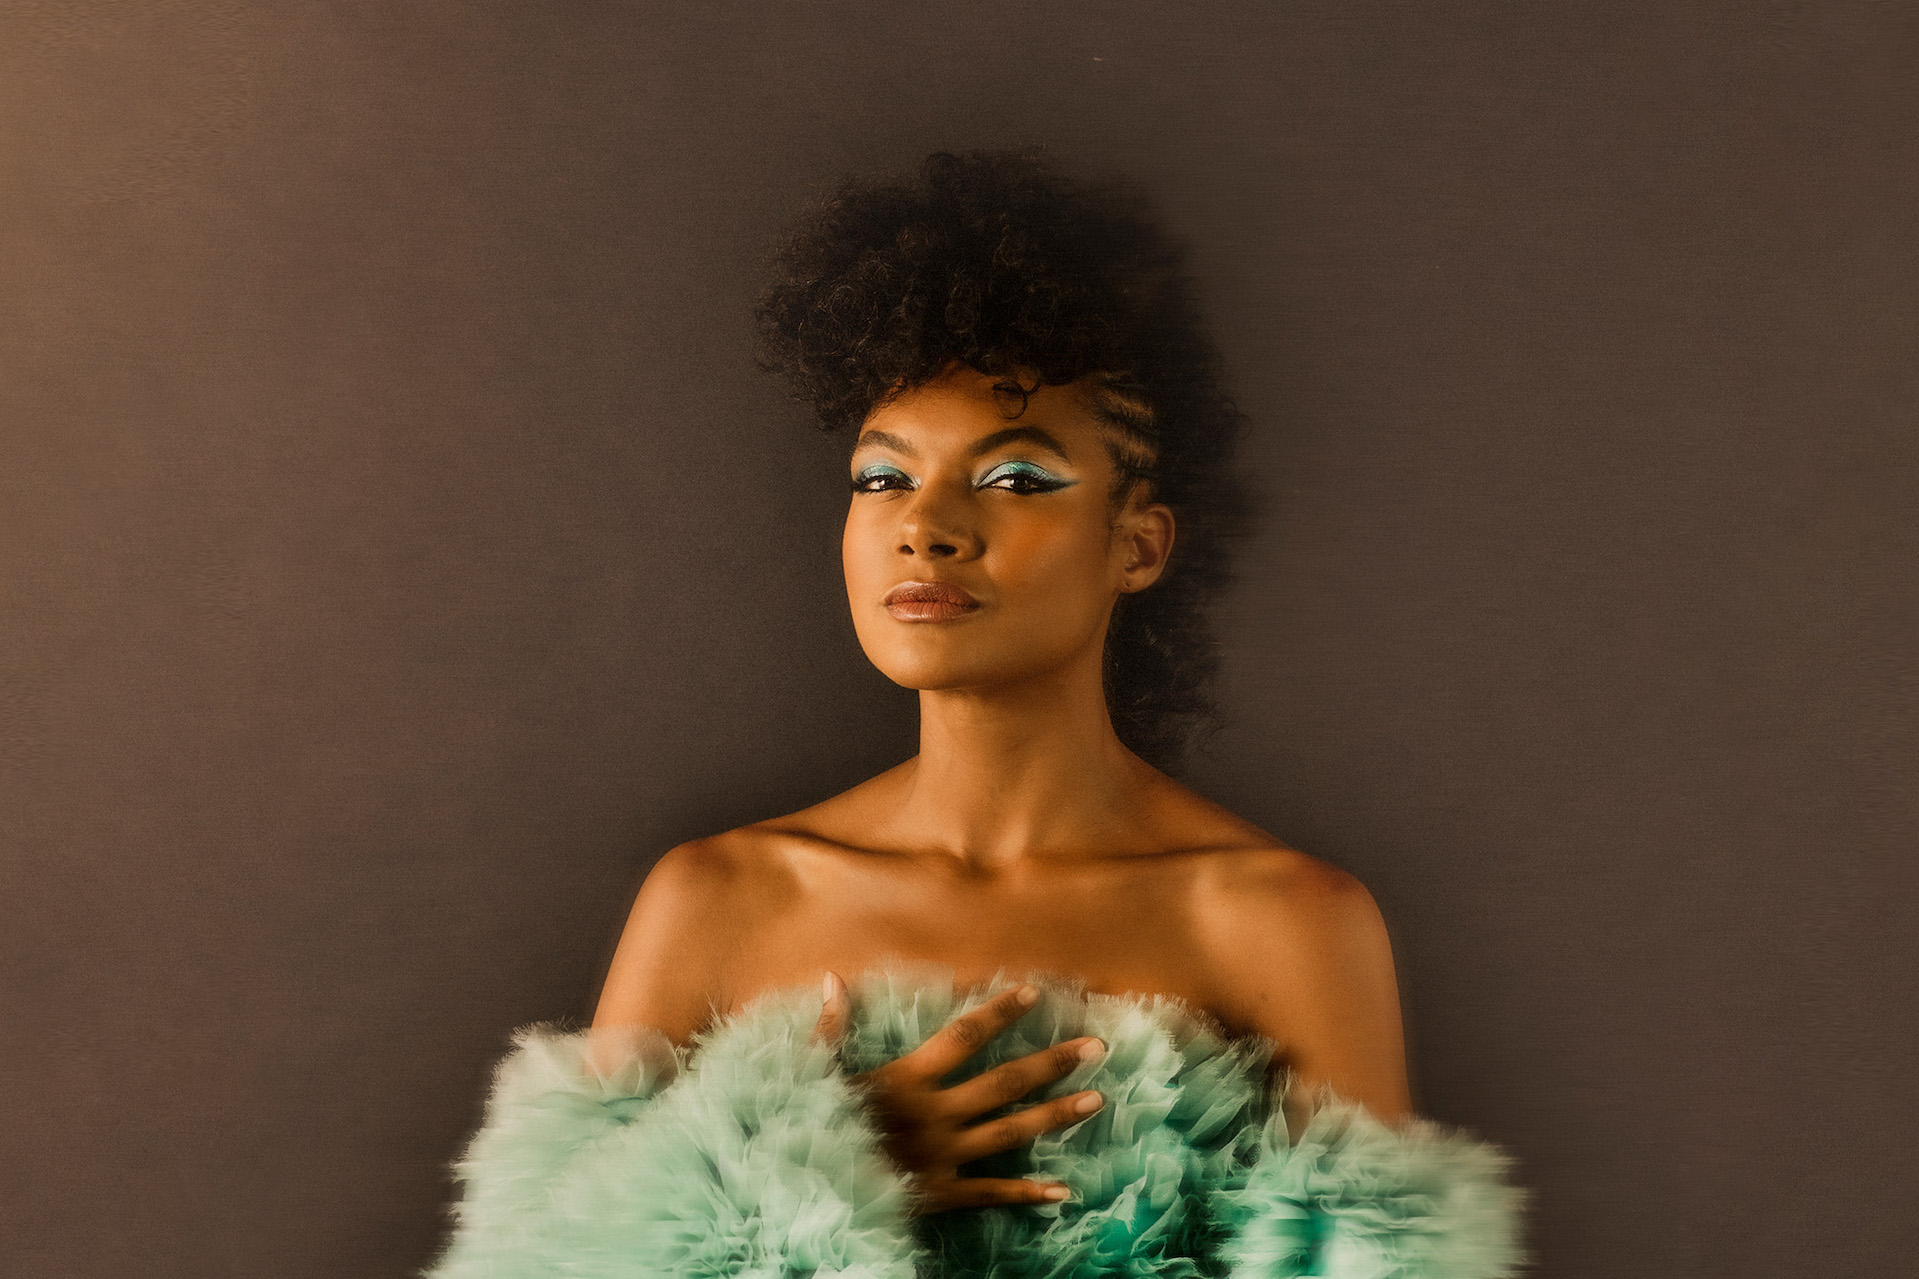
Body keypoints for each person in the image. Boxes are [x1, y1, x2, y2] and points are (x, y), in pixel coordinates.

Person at [422, 149, 1527, 1278]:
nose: (925, 525)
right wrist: (809, 1165)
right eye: (880, 478)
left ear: (1138, 543)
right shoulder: (719, 900)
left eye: (1013, 481)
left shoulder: (1280, 923)